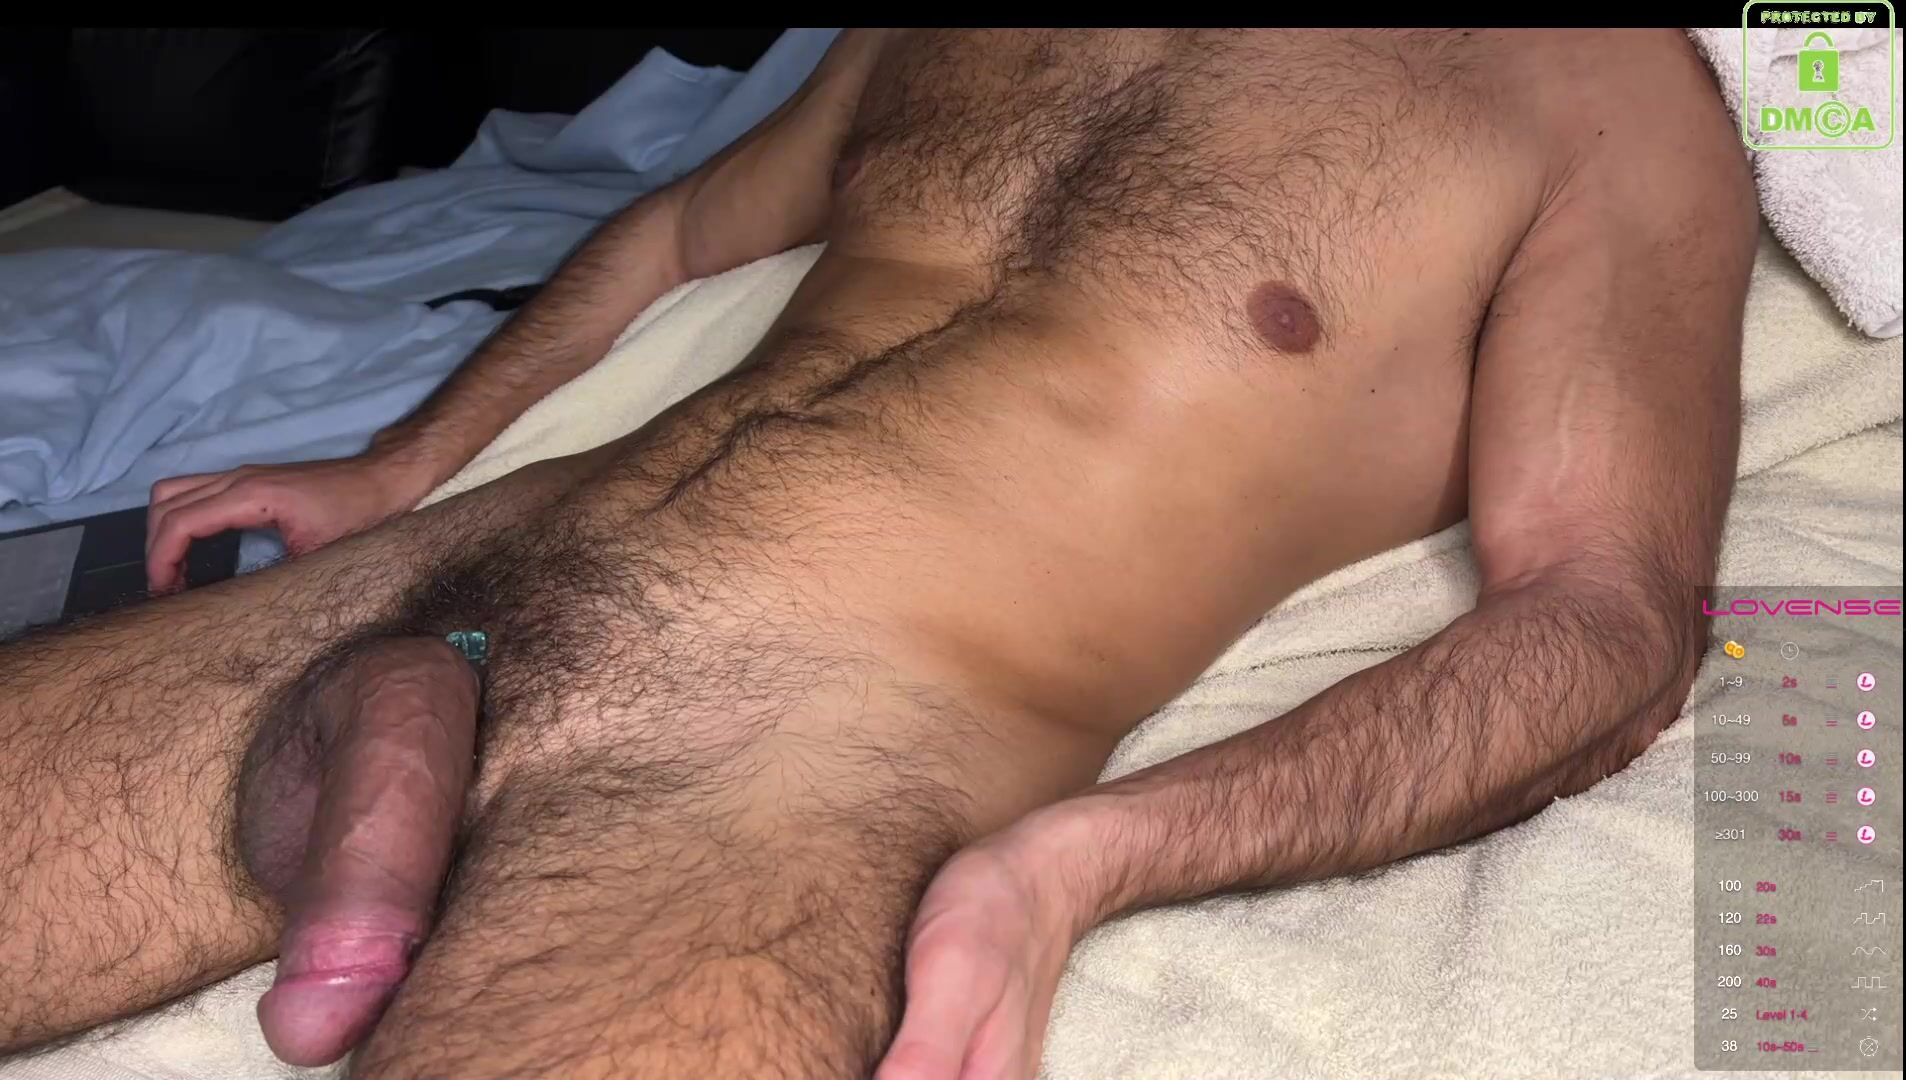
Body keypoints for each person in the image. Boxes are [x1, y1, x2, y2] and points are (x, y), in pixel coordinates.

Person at [2, 28, 1753, 1080]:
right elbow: (683, 231)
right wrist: (395, 467)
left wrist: (1080, 862)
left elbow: (1604, 613)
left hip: (799, 754)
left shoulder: (1599, 91)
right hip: (464, 571)